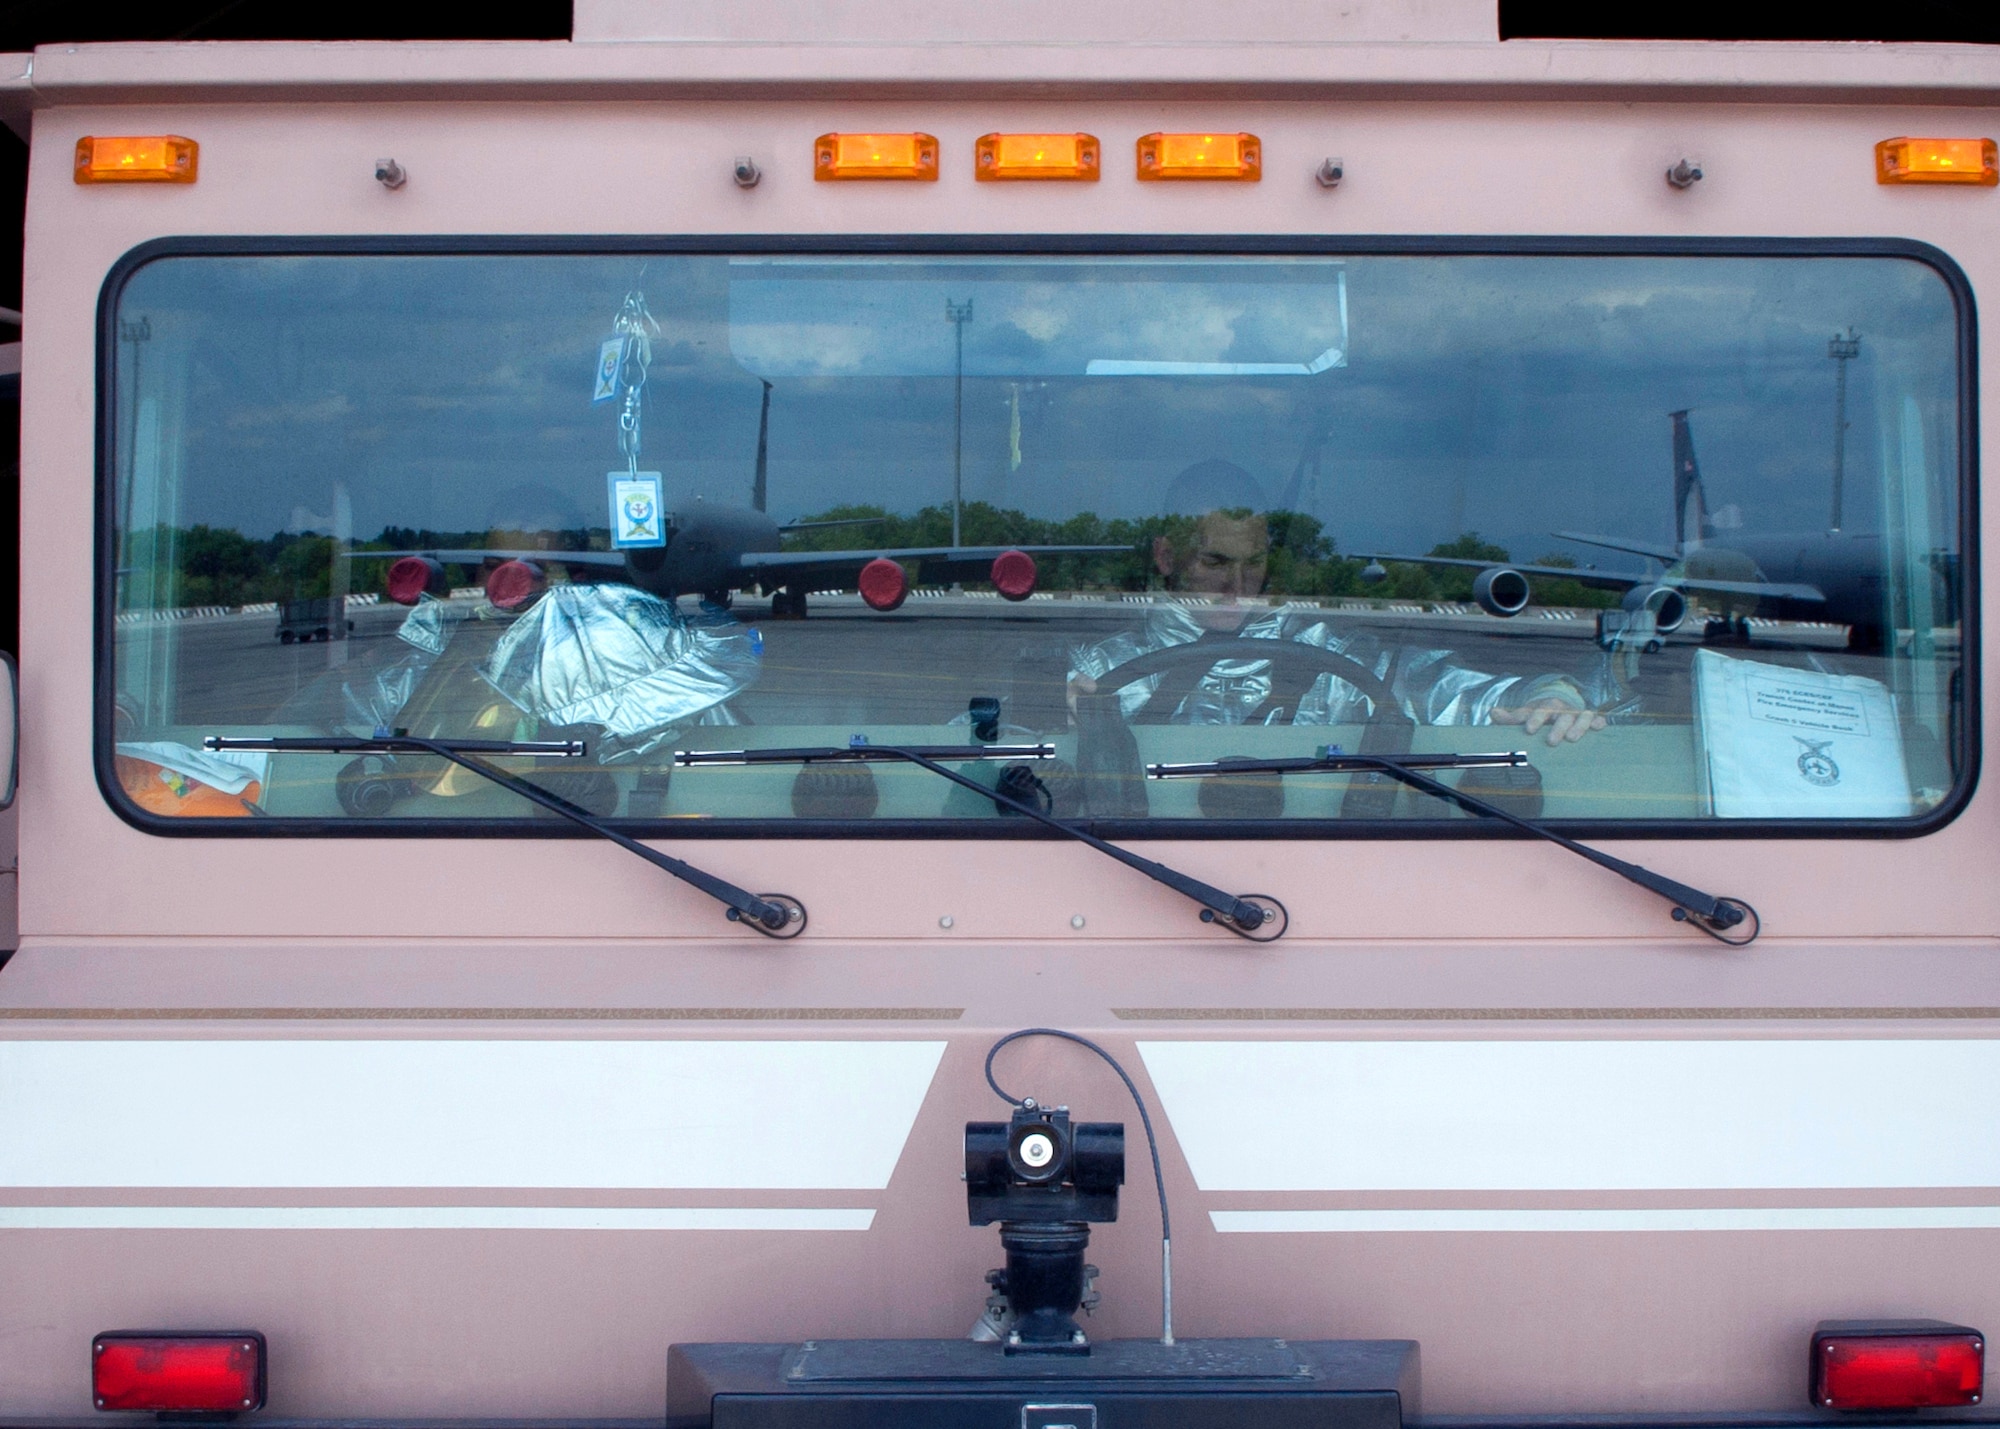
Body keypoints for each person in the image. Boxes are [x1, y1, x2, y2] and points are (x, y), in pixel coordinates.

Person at [1068, 467, 1607, 744]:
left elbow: (1449, 694)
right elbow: (1010, 739)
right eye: (1214, 562)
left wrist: (1548, 695)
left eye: (1252, 563)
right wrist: (1059, 708)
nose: (1237, 584)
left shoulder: (1336, 658)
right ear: (1166, 556)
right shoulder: (1095, 671)